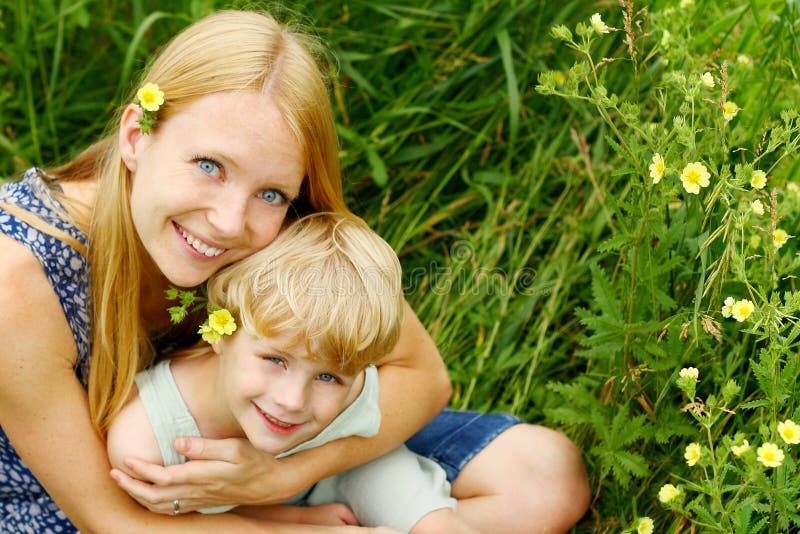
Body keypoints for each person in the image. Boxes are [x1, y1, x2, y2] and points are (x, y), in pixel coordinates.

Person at [0, 8, 589, 534]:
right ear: (136, 136)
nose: (230, 222)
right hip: (91, 502)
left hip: (275, 439)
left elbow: (425, 375)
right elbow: (111, 517)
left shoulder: (276, 222)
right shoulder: (18, 277)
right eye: (209, 165)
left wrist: (284, 476)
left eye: (273, 192)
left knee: (543, 477)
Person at [108, 212, 476, 533]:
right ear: (220, 328)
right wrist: (295, 522)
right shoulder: (148, 442)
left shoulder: (351, 385)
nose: (293, 401)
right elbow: (177, 523)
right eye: (275, 360)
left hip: (345, 469)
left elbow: (419, 387)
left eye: (329, 377)